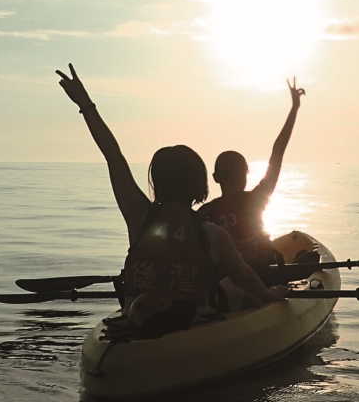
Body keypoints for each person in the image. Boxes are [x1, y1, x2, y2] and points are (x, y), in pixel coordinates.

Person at [56, 63, 287, 334]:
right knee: (238, 287)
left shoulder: (138, 217)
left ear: (157, 182)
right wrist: (269, 295)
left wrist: (85, 104)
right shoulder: (214, 235)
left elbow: (113, 155)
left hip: (138, 324)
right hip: (193, 328)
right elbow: (245, 275)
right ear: (200, 185)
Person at [198, 78, 305, 270]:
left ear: (215, 178)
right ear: (245, 175)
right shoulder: (256, 199)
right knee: (307, 257)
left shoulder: (205, 214)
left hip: (228, 277)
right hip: (264, 275)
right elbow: (278, 152)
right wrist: (294, 108)